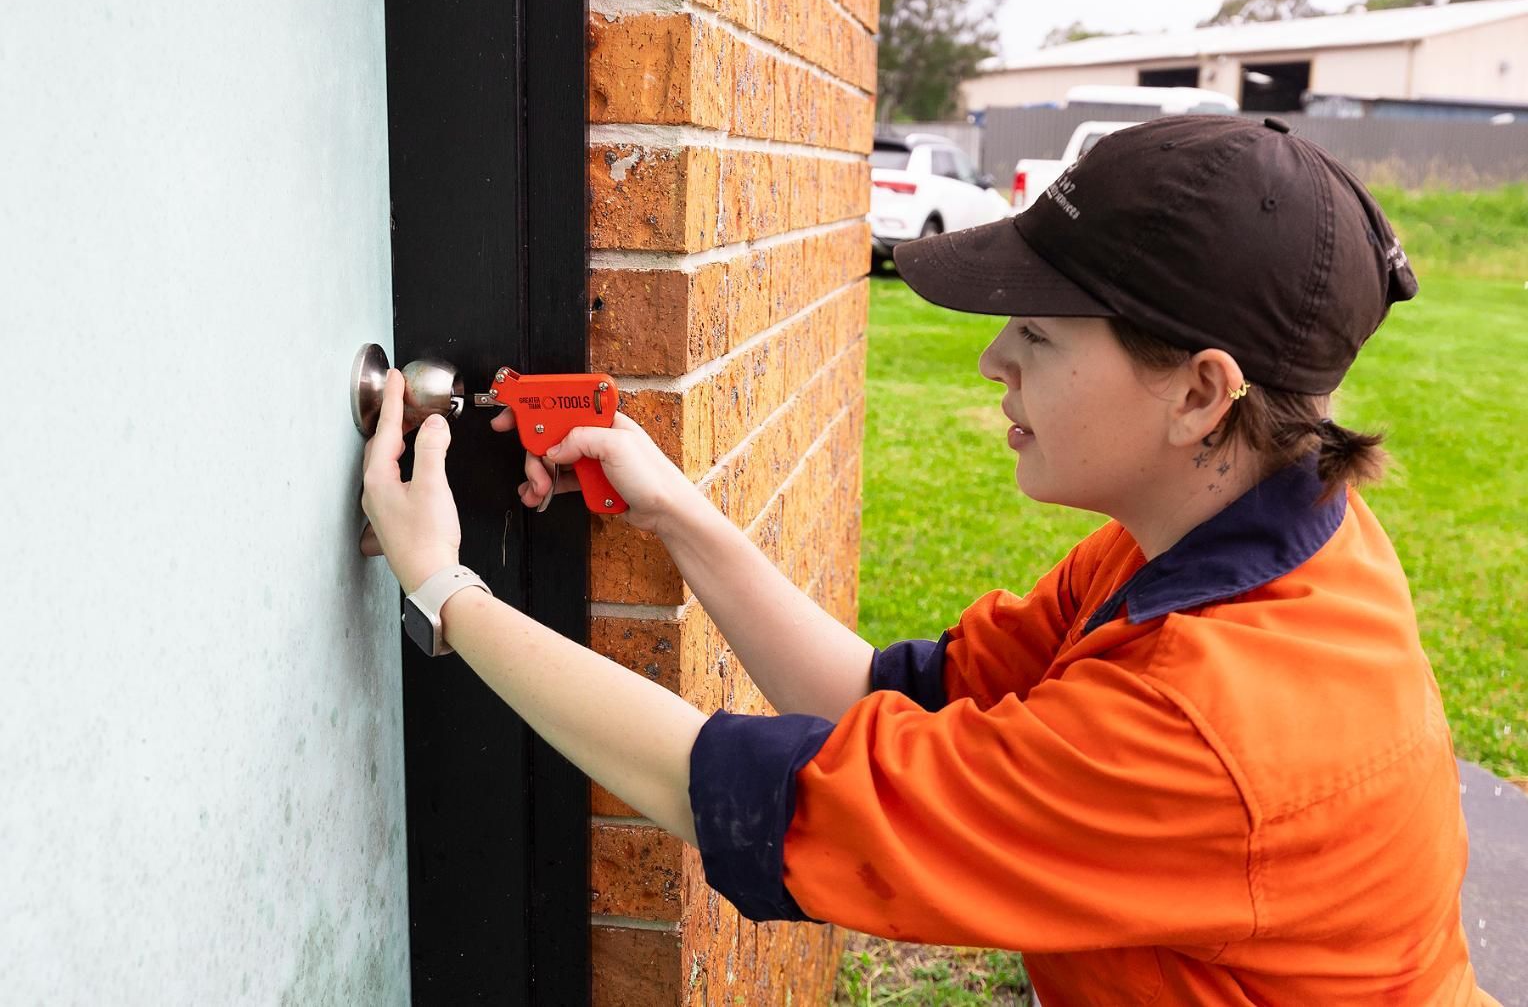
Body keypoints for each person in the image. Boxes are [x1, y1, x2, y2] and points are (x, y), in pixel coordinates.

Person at [360, 115, 1496, 1005]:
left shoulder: (1210, 729)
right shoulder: (1224, 547)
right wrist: (673, 507)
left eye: (1040, 334)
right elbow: (868, 697)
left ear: (1200, 393)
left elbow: (742, 799)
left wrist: (446, 589)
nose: (996, 358)